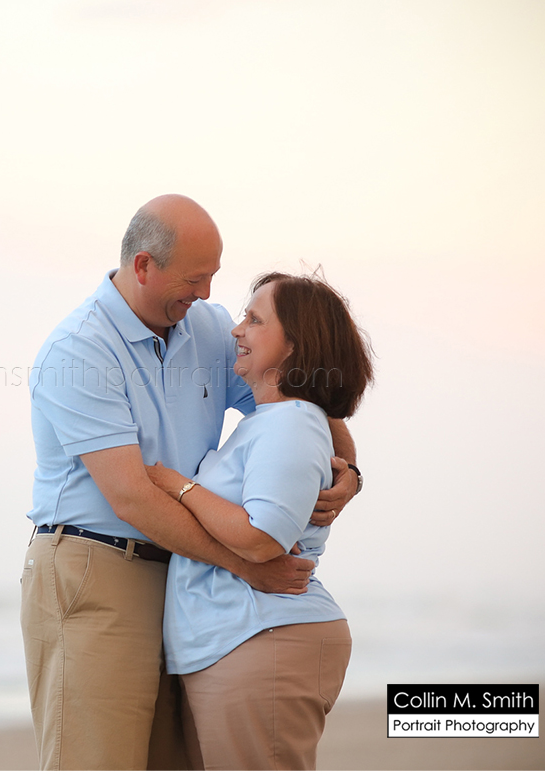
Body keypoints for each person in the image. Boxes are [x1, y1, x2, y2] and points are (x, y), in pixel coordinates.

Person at [21, 195, 362, 770]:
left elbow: (297, 395)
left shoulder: (204, 328)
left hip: (187, 578)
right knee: (98, 763)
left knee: (174, 765)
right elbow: (132, 496)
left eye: (212, 276)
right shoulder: (79, 351)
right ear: (144, 266)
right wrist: (246, 564)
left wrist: (348, 471)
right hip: (99, 567)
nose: (207, 294)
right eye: (194, 278)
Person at [146, 271, 374, 770]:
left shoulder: (291, 423)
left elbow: (260, 538)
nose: (237, 330)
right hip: (238, 641)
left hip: (263, 636)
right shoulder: (270, 422)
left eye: (254, 319)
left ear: (294, 344)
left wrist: (178, 486)